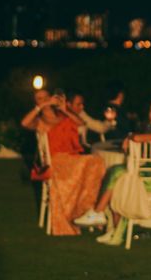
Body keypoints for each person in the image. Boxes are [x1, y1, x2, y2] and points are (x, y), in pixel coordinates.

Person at [73, 100, 151, 245]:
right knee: (118, 179)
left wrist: (131, 137)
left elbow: (141, 138)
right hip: (147, 177)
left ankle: (99, 214)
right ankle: (114, 231)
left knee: (117, 172)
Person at [20, 89, 106, 236]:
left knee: (97, 162)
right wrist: (41, 106)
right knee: (92, 162)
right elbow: (24, 123)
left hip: (71, 158)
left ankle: (87, 211)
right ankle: (80, 214)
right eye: (39, 98)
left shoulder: (62, 115)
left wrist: (65, 109)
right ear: (36, 102)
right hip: (56, 162)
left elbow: (81, 123)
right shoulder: (39, 121)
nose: (44, 100)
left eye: (46, 96)